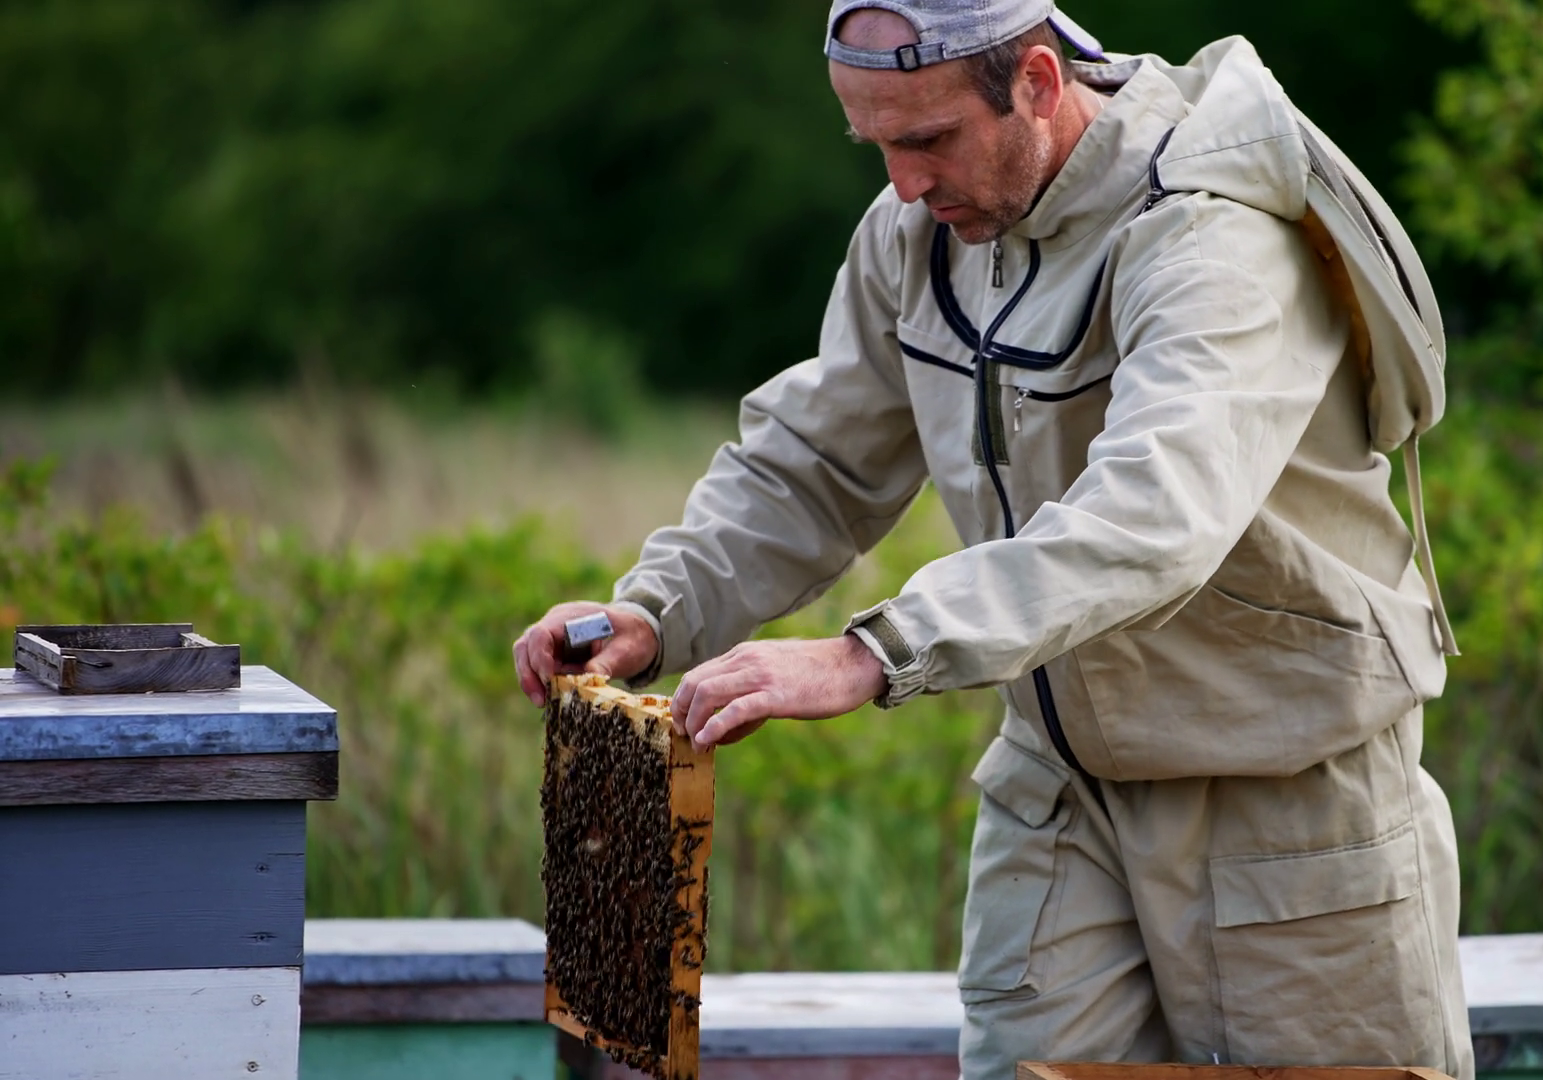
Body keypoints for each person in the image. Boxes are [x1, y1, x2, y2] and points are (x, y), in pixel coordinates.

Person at [513, 2, 1474, 1076]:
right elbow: (815, 463)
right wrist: (655, 609)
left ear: (1039, 82)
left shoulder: (1213, 234)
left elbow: (1156, 513)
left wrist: (873, 652)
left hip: (1288, 792)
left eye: (929, 138)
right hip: (1059, 791)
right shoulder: (917, 234)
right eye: (876, 144)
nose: (903, 185)